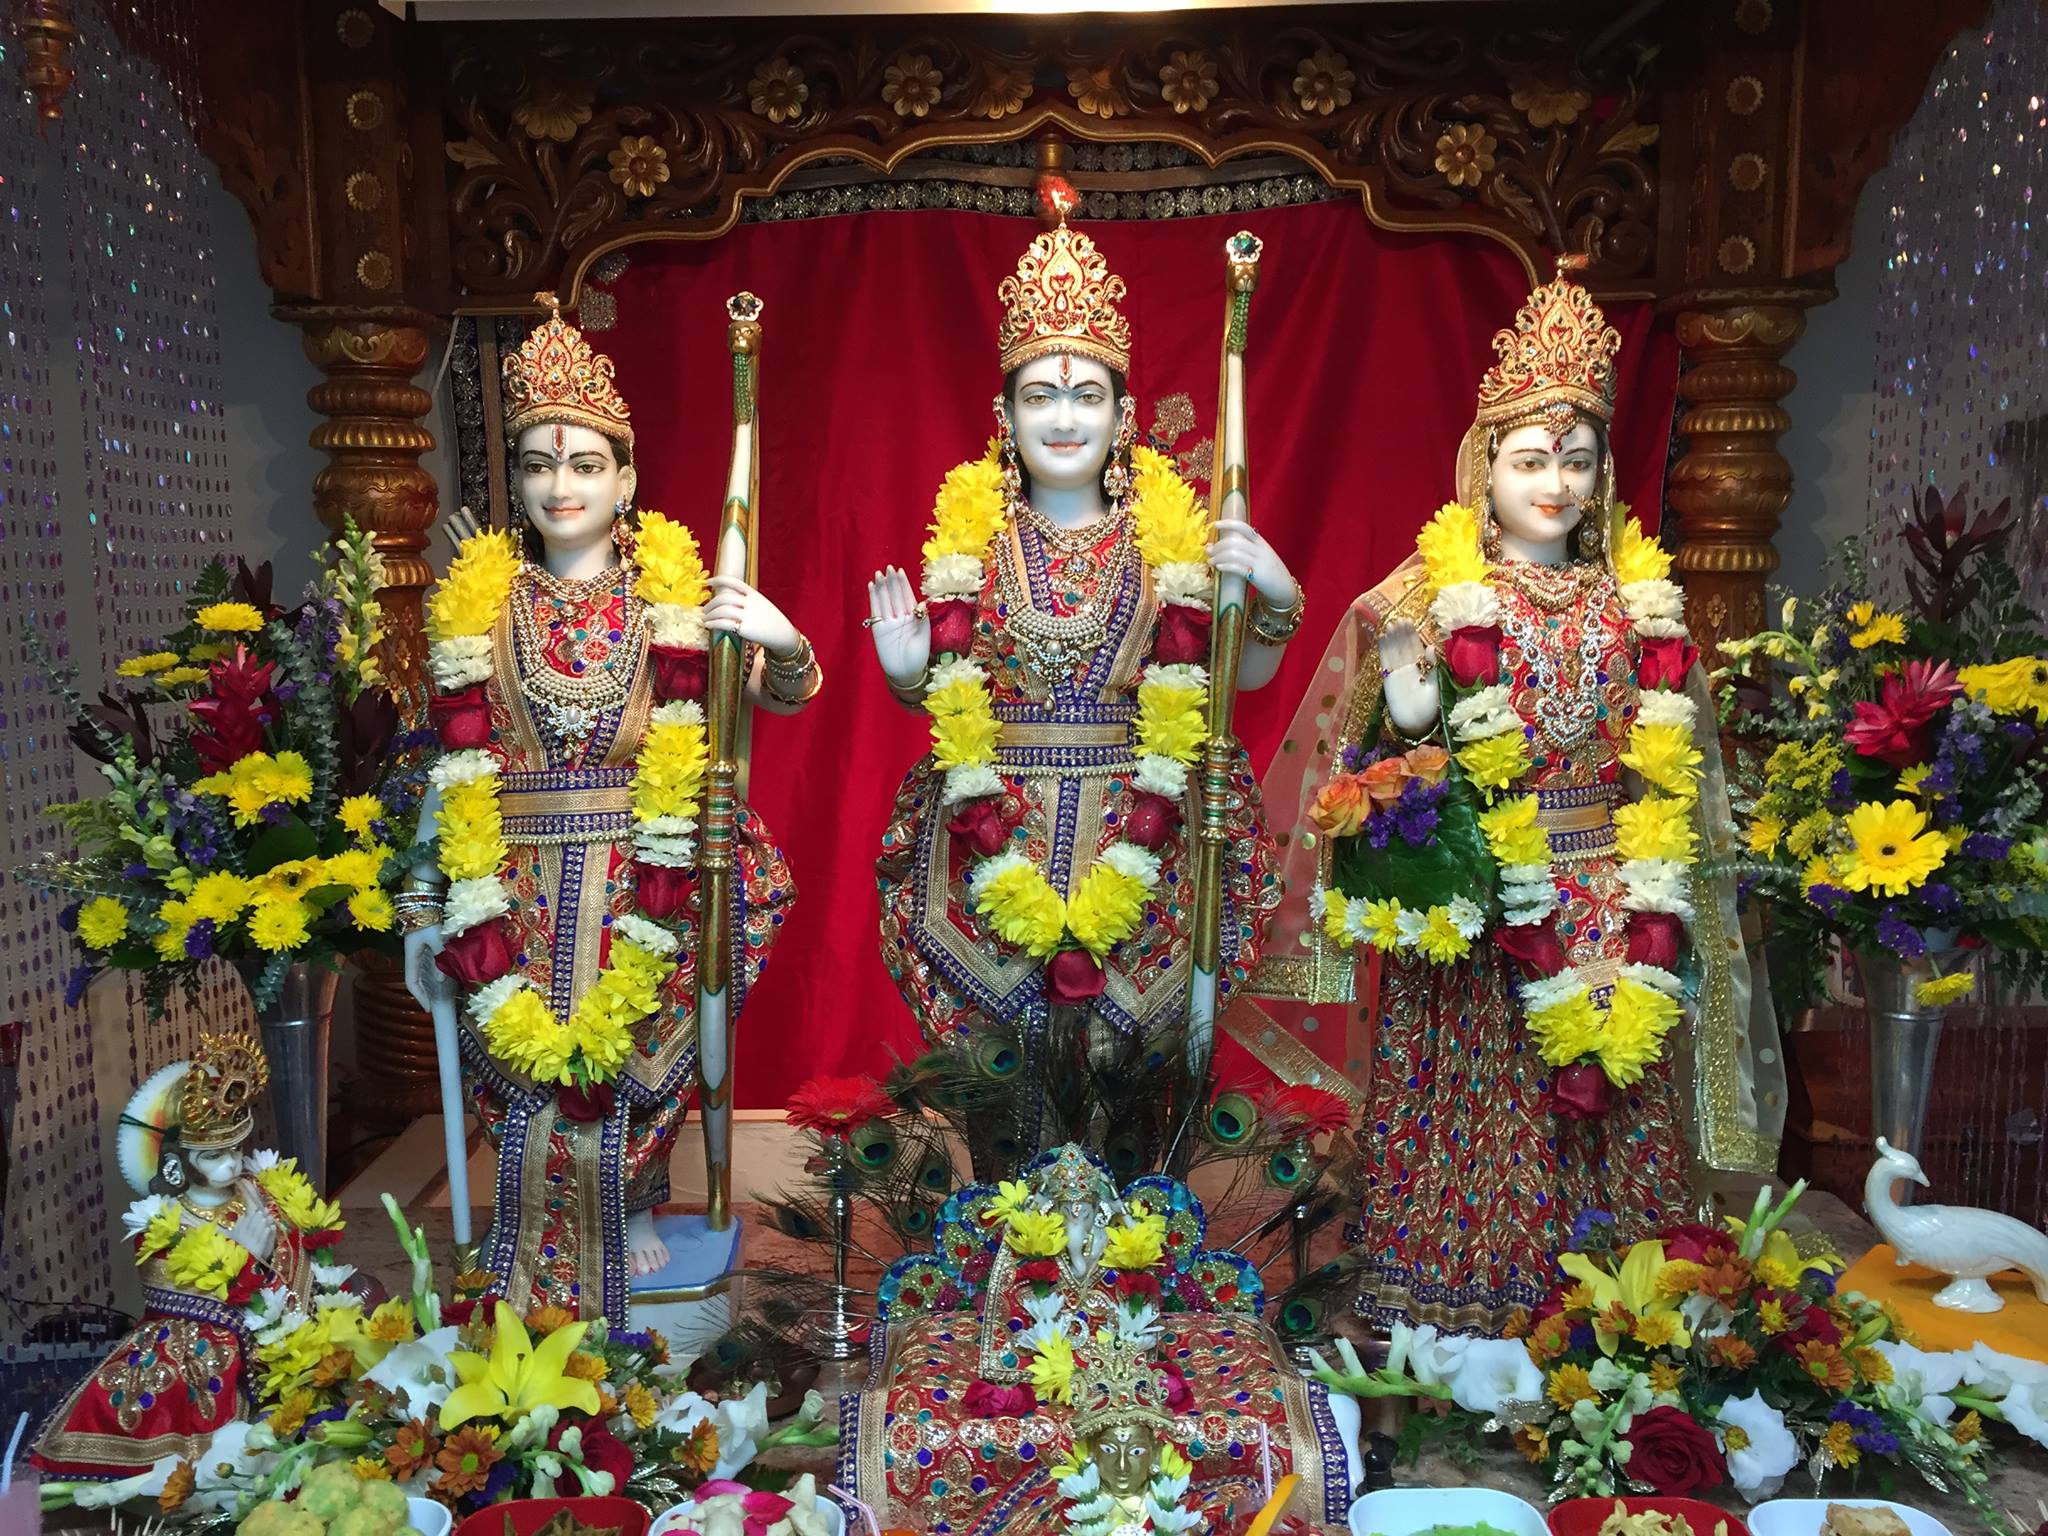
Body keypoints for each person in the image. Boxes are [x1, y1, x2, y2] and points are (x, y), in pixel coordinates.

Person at [1252, 260, 1783, 1335]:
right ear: (1481, 465)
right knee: (1478, 1091)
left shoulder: (1641, 605)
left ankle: (1610, 1306)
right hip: (1479, 901)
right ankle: (1455, 1299)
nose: (1555, 482)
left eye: (1577, 460)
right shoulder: (1424, 597)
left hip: (1608, 897)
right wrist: (1413, 720)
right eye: (1531, 458)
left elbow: (1670, 769)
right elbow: (1361, 776)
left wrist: (1656, 897)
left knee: (1611, 1093)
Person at [401, 299, 818, 1317]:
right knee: (516, 1060)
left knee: (641, 1055)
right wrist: (421, 905)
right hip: (513, 880)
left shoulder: (672, 607)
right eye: (539, 466)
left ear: (625, 481)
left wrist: (783, 638)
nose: (561, 486)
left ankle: (630, 1212)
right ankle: (530, 1239)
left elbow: (782, 693)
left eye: (586, 465)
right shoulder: (479, 612)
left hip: (645, 873)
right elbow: (443, 769)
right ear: (517, 483)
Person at [865, 209, 1301, 1161]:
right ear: (1006, 418)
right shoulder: (971, 545)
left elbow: (1238, 678)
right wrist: (906, 675)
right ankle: (1002, 1235)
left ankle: (1138, 1243)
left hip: (1146, 831)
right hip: (992, 829)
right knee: (1003, 1072)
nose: (1064, 419)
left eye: (1087, 396)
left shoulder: (1171, 545)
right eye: (1040, 397)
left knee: (1131, 1081)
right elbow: (950, 697)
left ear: (1123, 415)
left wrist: (1272, 593)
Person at [837, 1144, 1356, 1534]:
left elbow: (1141, 1334)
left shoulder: (1123, 1254)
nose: (1076, 1223)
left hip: (1119, 1370)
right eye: (1065, 1215)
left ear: (1100, 1213)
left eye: (1084, 1213)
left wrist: (1116, 1357)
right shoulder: (1026, 1261)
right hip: (1042, 1370)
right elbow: (1006, 1345)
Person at [34, 1032, 339, 1478]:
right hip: (201, 1329)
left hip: (287, 1310)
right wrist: (246, 1259)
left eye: (235, 1150)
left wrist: (270, 1256)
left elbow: (296, 1242)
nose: (231, 1165)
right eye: (213, 1156)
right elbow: (168, 1294)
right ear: (178, 1162)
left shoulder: (257, 1187)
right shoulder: (162, 1221)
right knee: (184, 1371)